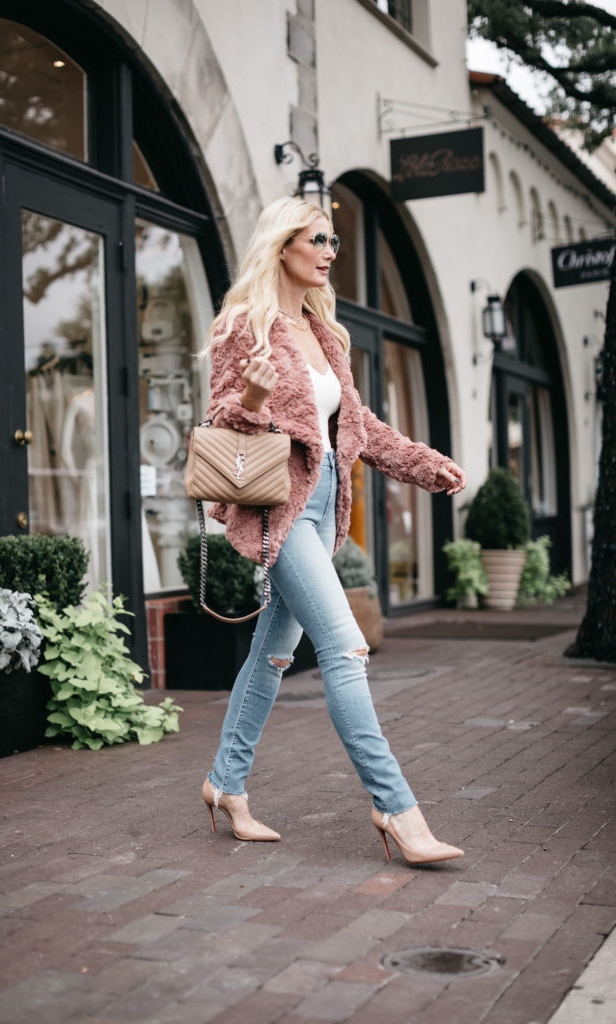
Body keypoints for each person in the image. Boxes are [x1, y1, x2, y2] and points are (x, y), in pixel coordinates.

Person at [200, 197, 467, 865]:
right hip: (277, 504)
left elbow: (358, 430)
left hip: (325, 503)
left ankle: (224, 786)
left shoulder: (324, 335)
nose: (327, 251)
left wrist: (426, 465)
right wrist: (255, 400)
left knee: (272, 653)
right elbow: (217, 420)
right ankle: (395, 808)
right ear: (281, 245)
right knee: (345, 650)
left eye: (333, 241)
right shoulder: (244, 326)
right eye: (315, 238)